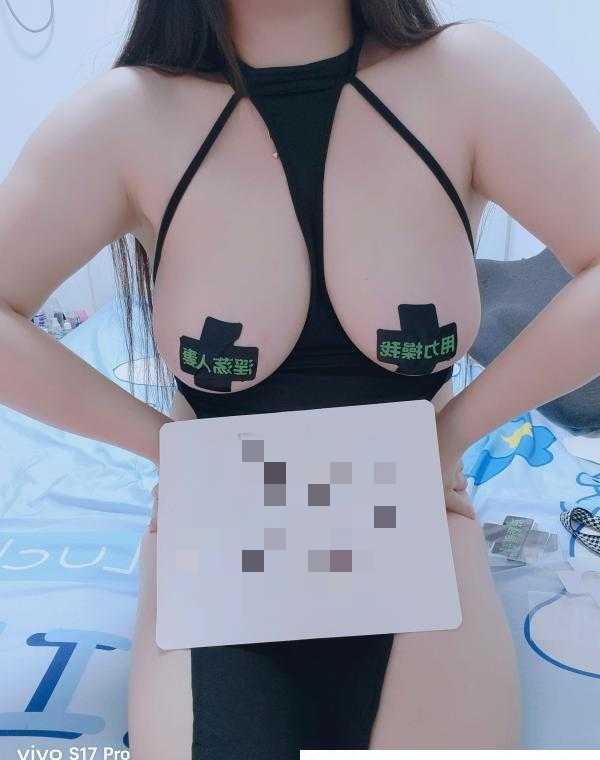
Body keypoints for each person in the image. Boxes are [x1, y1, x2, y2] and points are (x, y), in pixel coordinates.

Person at [1, 0, 599, 755]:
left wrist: (451, 434)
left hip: (415, 515)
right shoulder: (126, 119)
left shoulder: (470, 79)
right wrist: (168, 451)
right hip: (219, 525)